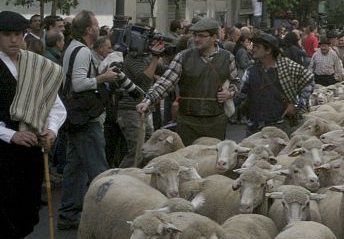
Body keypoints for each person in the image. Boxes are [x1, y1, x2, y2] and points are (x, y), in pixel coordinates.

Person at [0, 11, 66, 239]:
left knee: (25, 210)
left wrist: (51, 131)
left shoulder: (35, 65)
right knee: (4, 215)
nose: (13, 40)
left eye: (18, 34)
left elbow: (55, 105)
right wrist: (11, 135)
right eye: (7, 34)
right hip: (3, 153)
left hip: (30, 153)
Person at [58, 10, 119, 229]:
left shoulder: (72, 47)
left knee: (75, 168)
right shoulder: (82, 51)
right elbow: (78, 84)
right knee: (98, 169)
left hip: (75, 115)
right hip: (85, 116)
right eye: (95, 24)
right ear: (88, 29)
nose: (98, 27)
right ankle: (106, 216)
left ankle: (68, 214)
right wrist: (103, 78)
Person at [136, 18, 239, 146]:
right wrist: (147, 101)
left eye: (201, 36)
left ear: (214, 37)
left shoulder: (228, 57)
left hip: (215, 122)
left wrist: (229, 93)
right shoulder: (183, 56)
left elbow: (236, 83)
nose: (196, 39)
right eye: (195, 35)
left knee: (212, 157)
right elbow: (166, 82)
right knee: (186, 157)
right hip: (188, 122)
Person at [240, 32, 313, 135]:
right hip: (255, 127)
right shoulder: (250, 72)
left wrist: (297, 105)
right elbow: (241, 94)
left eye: (257, 47)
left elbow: (309, 81)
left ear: (268, 50)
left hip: (280, 126)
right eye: (254, 46)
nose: (253, 49)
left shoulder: (287, 67)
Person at [115, 33, 163, 168]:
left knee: (148, 149)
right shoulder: (132, 58)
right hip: (130, 110)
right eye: (150, 41)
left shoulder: (145, 57)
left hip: (144, 108)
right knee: (137, 151)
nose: (152, 44)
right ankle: (120, 177)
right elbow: (143, 79)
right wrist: (155, 57)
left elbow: (163, 70)